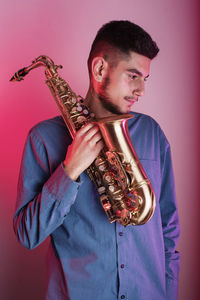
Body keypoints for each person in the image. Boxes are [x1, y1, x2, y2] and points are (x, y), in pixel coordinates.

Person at [13, 20, 180, 300]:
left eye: (144, 79)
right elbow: (28, 234)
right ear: (100, 69)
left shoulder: (151, 133)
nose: (141, 91)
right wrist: (70, 171)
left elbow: (169, 229)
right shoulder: (42, 138)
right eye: (133, 76)